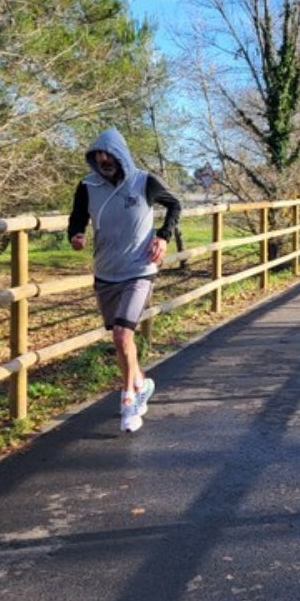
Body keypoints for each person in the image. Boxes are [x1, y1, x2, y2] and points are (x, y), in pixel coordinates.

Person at [68, 127, 182, 432]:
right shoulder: (87, 185)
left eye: (109, 157)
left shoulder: (143, 181)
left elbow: (175, 204)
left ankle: (128, 400)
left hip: (139, 270)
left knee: (122, 335)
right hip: (106, 271)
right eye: (98, 158)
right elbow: (77, 217)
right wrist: (75, 235)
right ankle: (141, 384)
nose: (104, 163)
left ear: (120, 156)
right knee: (121, 342)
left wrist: (163, 236)